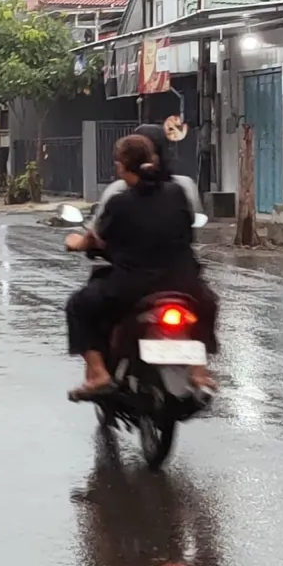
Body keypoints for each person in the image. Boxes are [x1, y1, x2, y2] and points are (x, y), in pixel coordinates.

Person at [66, 134, 217, 399]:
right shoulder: (177, 193)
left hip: (132, 288)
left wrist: (76, 242)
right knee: (207, 304)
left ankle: (99, 373)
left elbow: (96, 238)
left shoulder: (119, 201)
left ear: (121, 166)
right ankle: (199, 371)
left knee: (78, 306)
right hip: (184, 283)